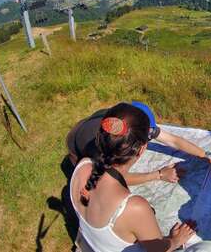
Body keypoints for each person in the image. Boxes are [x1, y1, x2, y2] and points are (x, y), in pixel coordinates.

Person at [70, 103, 197, 252]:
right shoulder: (135, 208)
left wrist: (158, 175)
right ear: (142, 149)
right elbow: (158, 250)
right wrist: (175, 240)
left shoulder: (82, 167)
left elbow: (111, 178)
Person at [67, 101, 211, 185]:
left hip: (89, 125)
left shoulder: (125, 121)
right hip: (78, 146)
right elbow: (112, 178)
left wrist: (209, 157)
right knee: (91, 180)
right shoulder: (108, 145)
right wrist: (158, 174)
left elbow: (174, 140)